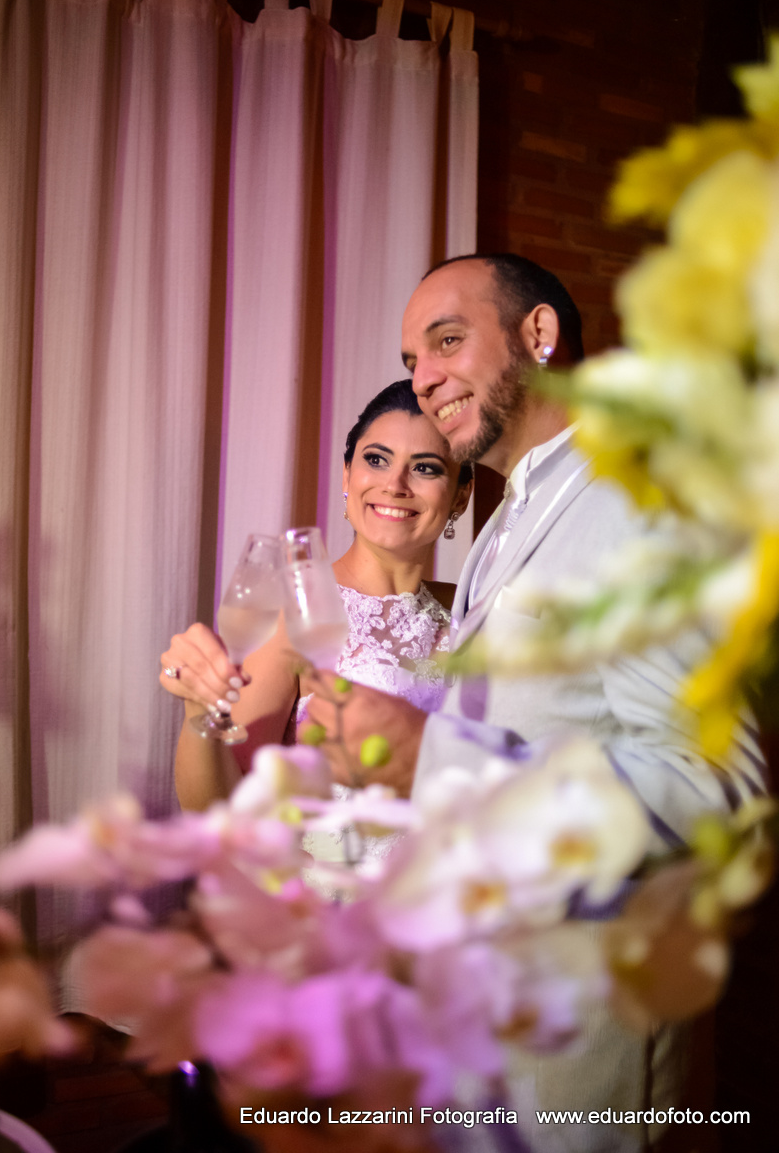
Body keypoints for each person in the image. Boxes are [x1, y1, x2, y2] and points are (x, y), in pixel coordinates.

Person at [303, 253, 767, 1152]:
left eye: (445, 341)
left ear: (539, 336)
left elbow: (719, 795)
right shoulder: (505, 523)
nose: (423, 377)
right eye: (411, 359)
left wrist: (427, 755)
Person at [160, 379, 473, 812]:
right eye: (377, 460)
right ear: (347, 476)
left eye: (426, 468)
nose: (396, 484)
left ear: (460, 495)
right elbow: (222, 808)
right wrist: (199, 711)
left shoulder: (472, 609)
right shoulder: (295, 609)